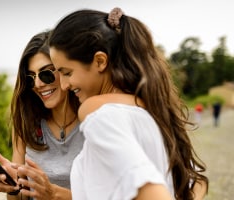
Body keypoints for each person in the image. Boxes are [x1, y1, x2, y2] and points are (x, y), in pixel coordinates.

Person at [43, 7, 208, 200]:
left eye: (67, 72)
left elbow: (151, 192)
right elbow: (196, 182)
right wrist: (54, 194)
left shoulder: (98, 111)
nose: (63, 85)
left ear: (100, 61)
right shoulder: (152, 109)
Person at [0, 30, 84, 200]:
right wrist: (13, 188)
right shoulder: (26, 121)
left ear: (65, 70)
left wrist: (55, 195)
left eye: (46, 74)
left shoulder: (94, 121)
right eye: (30, 78)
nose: (37, 84)